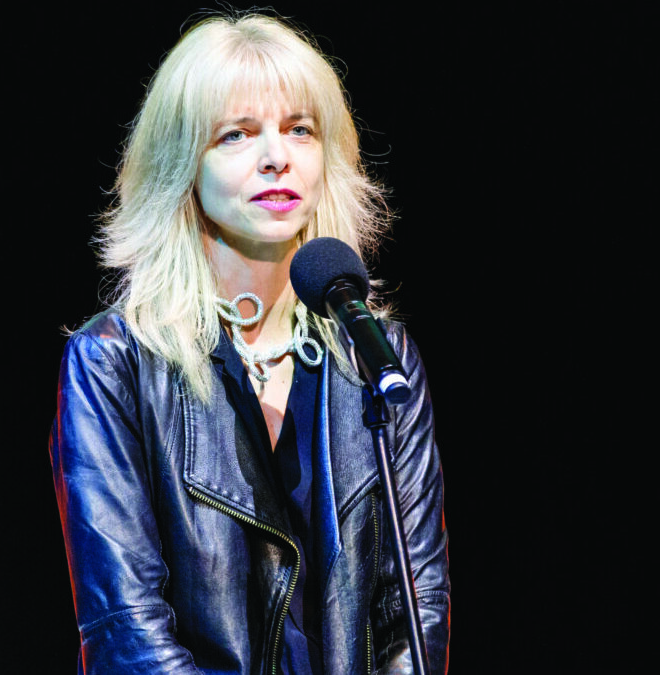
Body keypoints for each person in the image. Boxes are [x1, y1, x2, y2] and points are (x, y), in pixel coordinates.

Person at [49, 11, 449, 674]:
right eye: (236, 135)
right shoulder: (113, 363)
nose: (277, 156)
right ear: (183, 164)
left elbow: (417, 605)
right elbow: (127, 627)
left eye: (300, 129)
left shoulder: (378, 355)